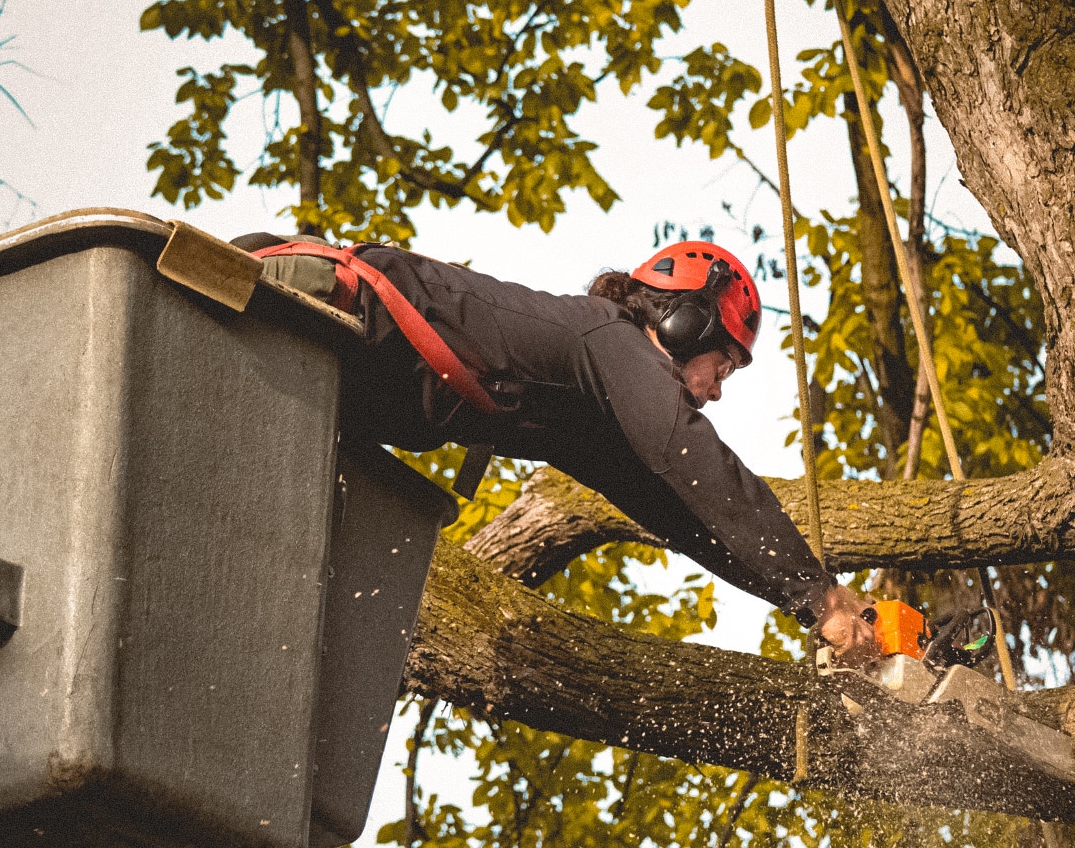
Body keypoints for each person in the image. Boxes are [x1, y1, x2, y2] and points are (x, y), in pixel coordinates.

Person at [231, 231, 881, 664]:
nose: (715, 391)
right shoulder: (610, 338)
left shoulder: (589, 413)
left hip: (331, 382)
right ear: (687, 320)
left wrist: (803, 604)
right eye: (724, 365)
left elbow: (686, 517)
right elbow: (694, 458)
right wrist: (825, 594)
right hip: (318, 308)